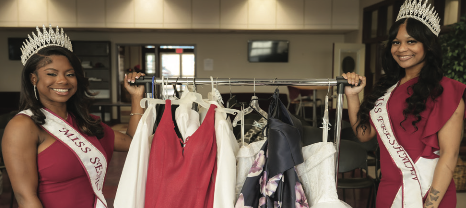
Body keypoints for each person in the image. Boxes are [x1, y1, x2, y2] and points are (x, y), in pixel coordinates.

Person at [1, 25, 145, 208]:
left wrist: (136, 97)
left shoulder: (87, 122)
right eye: (51, 74)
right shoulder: (24, 125)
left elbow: (133, 142)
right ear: (33, 79)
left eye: (69, 74)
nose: (62, 80)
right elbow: (26, 198)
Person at [343, 0, 466, 207]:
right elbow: (365, 135)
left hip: (430, 191)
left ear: (428, 45)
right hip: (389, 191)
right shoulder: (387, 88)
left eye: (411, 41)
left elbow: (449, 154)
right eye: (396, 42)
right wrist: (353, 96)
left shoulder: (446, 91)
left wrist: (430, 204)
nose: (401, 49)